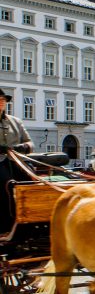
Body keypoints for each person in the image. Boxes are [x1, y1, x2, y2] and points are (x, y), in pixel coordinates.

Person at [0, 88, 34, 232]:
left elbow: (30, 144)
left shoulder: (16, 122)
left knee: (32, 181)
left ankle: (32, 219)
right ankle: (8, 223)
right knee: (9, 184)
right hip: (0, 161)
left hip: (17, 160)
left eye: (3, 100)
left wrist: (22, 147)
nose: (1, 103)